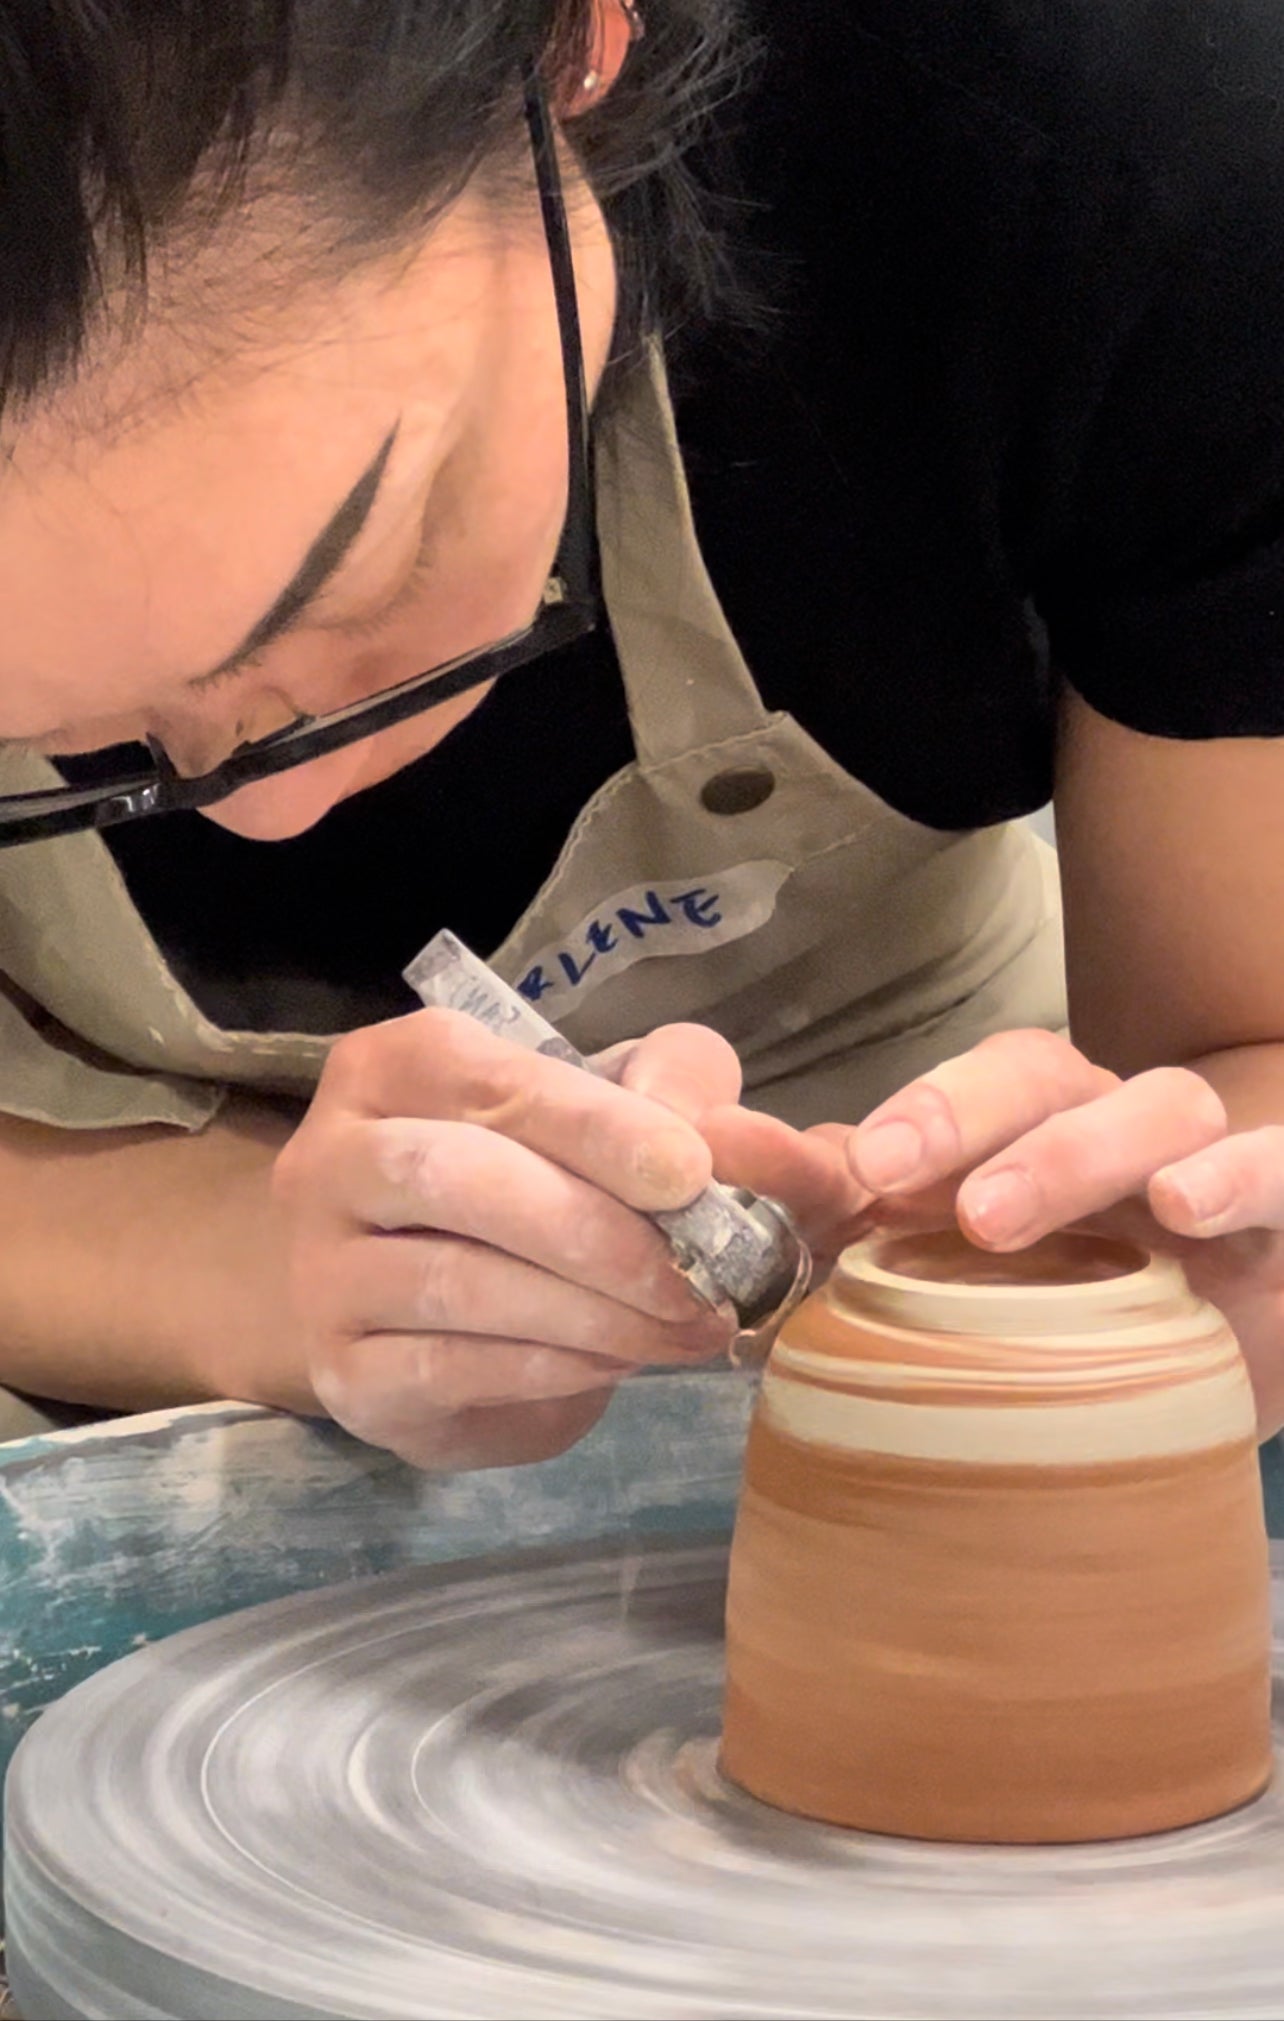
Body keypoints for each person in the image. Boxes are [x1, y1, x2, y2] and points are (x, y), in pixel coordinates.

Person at [0, 0, 1278, 1467]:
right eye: (59, 737)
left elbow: (1252, 1055)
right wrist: (259, 1271)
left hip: (910, 1175)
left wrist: (1190, 1235)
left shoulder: (1105, 146)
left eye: (361, 553)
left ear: (567, 44)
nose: (266, 811)